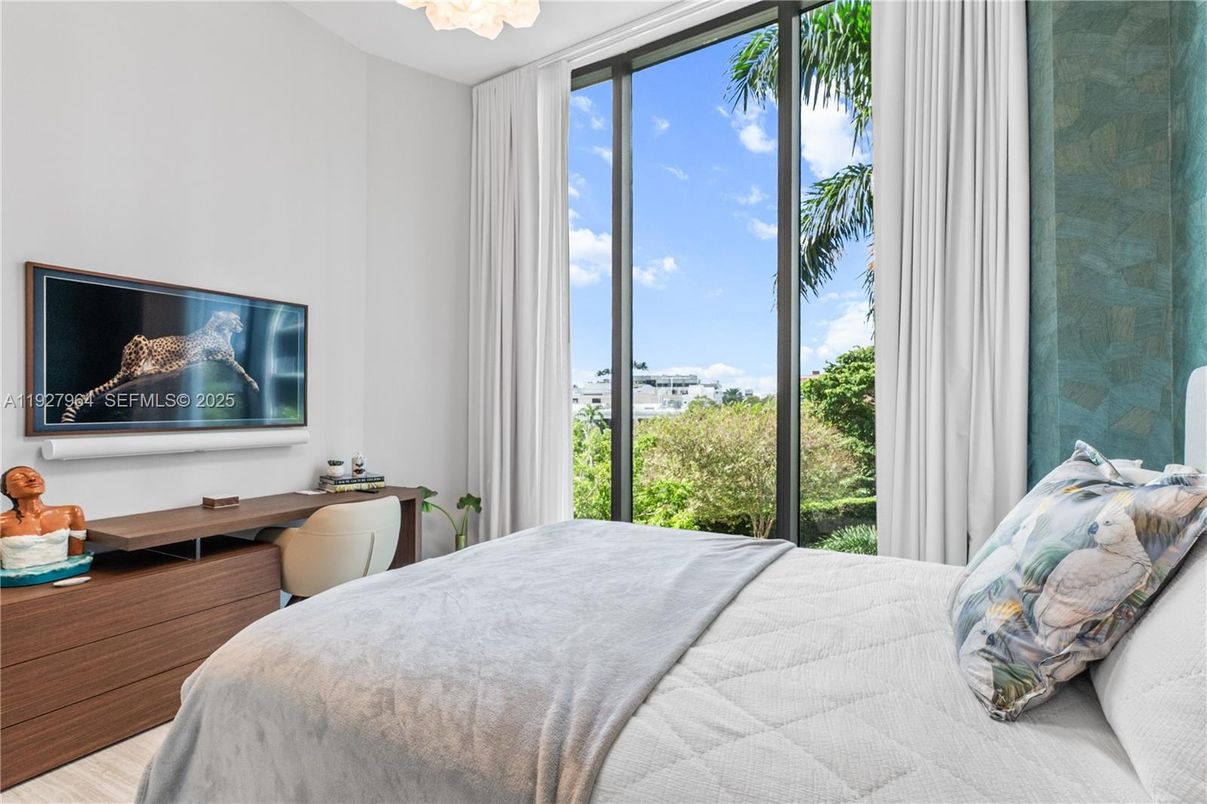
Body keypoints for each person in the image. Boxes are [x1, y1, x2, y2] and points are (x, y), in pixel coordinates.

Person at [0, 466, 86, 570]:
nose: (32, 479)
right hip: (17, 578)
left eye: (35, 475)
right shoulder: (2, 522)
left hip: (65, 573)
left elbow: (76, 557)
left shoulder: (71, 512)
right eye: (18, 478)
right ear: (7, 490)